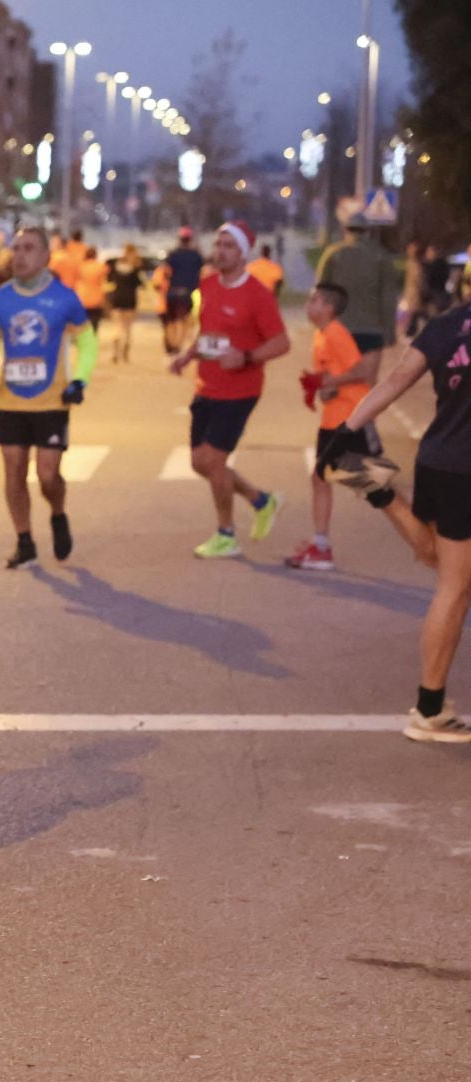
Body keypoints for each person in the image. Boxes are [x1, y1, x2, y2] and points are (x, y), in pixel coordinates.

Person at [318, 298, 471, 742]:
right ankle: (429, 710)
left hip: (439, 461)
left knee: (438, 558)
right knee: (454, 586)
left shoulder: (446, 324)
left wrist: (344, 432)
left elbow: (397, 380)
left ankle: (378, 489)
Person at [0, 226, 96, 568]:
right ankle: (24, 539)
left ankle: (57, 513)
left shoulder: (65, 298)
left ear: (45, 257)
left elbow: (87, 343)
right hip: (10, 400)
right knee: (13, 469)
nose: (20, 256)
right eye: (16, 249)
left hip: (52, 400)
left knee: (46, 475)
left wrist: (80, 381)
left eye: (29, 249)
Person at [170, 221, 290, 560]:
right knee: (199, 462)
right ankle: (262, 501)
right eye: (218, 244)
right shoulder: (207, 285)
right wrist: (188, 355)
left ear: (242, 254)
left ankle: (226, 535)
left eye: (228, 246)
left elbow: (281, 342)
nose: (219, 251)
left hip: (240, 390)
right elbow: (207, 331)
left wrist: (247, 356)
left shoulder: (257, 294)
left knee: (213, 460)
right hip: (206, 384)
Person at [285, 283, 372, 572]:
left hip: (347, 420)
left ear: (329, 308)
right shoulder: (321, 335)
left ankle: (425, 524)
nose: (308, 306)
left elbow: (360, 371)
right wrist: (324, 389)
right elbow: (334, 374)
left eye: (314, 301)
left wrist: (328, 383)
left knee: (371, 484)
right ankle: (320, 545)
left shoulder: (336, 333)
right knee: (326, 479)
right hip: (336, 417)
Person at [316, 215, 400, 385]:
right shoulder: (381, 257)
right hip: (372, 331)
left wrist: (320, 326)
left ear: (346, 230)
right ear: (368, 231)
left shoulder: (333, 254)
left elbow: (320, 292)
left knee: (337, 381)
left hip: (339, 329)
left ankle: (341, 411)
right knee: (368, 385)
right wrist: (390, 331)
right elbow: (388, 298)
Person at [162, 227, 205, 355]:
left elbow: (165, 271)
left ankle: (172, 344)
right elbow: (202, 271)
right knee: (184, 320)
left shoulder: (173, 254)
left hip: (172, 291)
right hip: (187, 292)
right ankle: (178, 346)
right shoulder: (196, 255)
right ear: (190, 239)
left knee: (171, 320)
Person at [107, 244, 146, 363]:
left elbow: (110, 279)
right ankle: (125, 352)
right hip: (130, 300)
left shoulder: (116, 266)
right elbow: (141, 284)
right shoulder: (135, 268)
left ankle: (115, 348)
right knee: (128, 328)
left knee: (117, 327)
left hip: (117, 299)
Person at [74, 243, 108, 337]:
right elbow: (104, 282)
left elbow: (75, 280)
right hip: (96, 298)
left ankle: (82, 339)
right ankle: (92, 339)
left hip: (82, 297)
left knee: (82, 322)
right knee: (94, 323)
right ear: (95, 255)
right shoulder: (101, 267)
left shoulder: (80, 266)